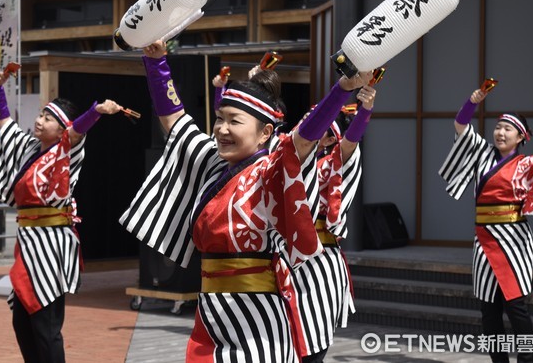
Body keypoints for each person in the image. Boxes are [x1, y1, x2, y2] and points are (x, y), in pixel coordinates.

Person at [119, 40, 372, 362]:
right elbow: (175, 123)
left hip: (257, 314)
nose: (222, 129)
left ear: (266, 132)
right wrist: (156, 64)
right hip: (213, 309)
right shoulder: (213, 162)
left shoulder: (275, 168)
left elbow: (306, 136)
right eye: (220, 118)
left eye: (234, 121)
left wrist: (342, 90)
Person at [0, 70, 122, 363]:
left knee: (46, 326)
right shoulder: (28, 148)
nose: (39, 120)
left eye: (48, 118)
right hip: (28, 242)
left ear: (61, 129)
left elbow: (77, 131)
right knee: (21, 320)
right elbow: (4, 122)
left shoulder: (66, 151)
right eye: (41, 115)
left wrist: (95, 111)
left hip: (51, 245)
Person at [439, 85, 533, 363]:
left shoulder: (529, 164)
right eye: (498, 127)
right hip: (483, 239)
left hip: (514, 240)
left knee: (516, 307)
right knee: (488, 309)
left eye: (508, 129)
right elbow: (461, 125)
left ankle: (526, 360)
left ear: (522, 136)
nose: (500, 132)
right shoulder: (481, 154)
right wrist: (472, 103)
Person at [296, 86, 376, 363]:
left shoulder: (335, 162)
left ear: (331, 136)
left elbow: (352, 141)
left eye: (317, 124)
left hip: (319, 260)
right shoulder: (287, 159)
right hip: (285, 257)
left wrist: (364, 111)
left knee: (314, 337)